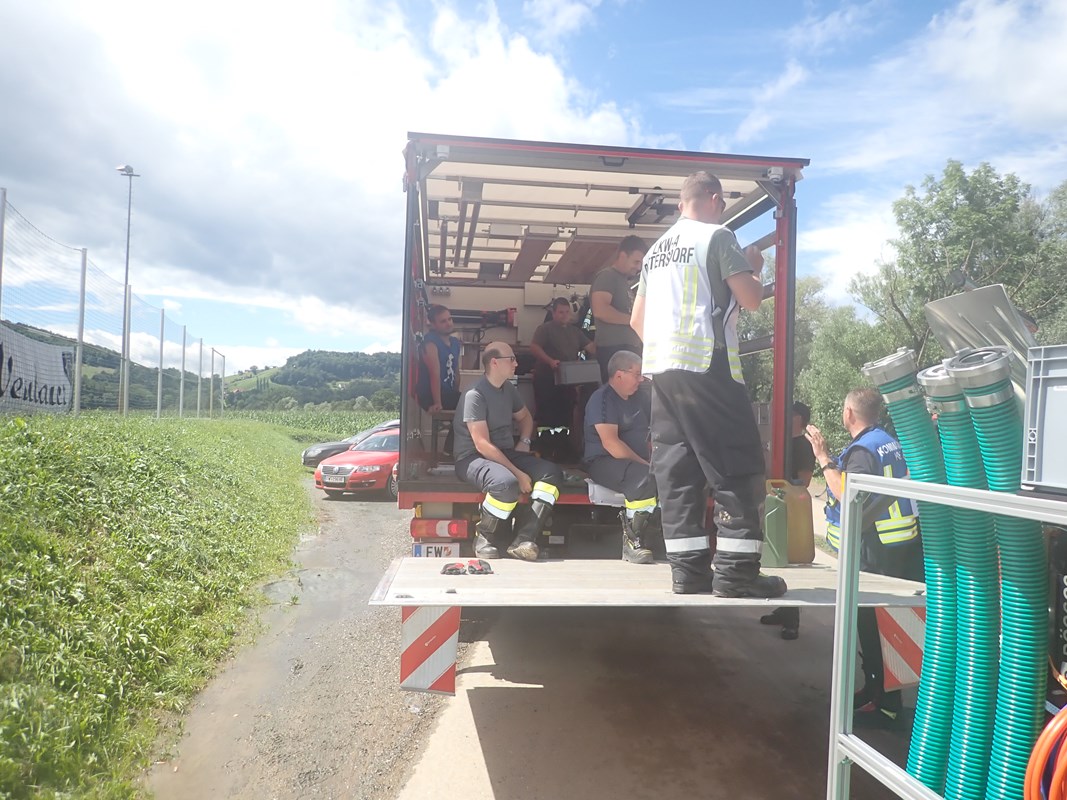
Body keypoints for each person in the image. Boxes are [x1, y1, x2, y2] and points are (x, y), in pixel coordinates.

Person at [630, 170, 786, 598]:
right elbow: (750, 298)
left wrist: (669, 349)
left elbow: (637, 321)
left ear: (682, 203)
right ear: (715, 199)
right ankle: (736, 574)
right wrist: (754, 268)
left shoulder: (654, 253)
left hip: (662, 372)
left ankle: (687, 573)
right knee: (735, 465)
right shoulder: (717, 236)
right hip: (707, 367)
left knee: (678, 473)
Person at [806, 387, 922, 728]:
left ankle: (884, 705)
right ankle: (876, 691)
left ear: (849, 413)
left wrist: (824, 458)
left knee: (872, 627)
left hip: (875, 550)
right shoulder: (888, 442)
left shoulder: (862, 451)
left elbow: (847, 496)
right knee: (888, 626)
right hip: (898, 547)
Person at [453, 342, 565, 561]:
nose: (516, 363)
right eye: (511, 359)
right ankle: (484, 538)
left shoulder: (508, 389)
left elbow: (525, 417)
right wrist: (518, 473)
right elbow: (482, 444)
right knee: (506, 483)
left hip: (503, 452)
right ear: (494, 362)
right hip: (472, 458)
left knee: (551, 473)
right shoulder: (475, 395)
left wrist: (524, 441)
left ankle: (524, 540)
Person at [583, 350, 657, 564]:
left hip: (638, 464)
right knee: (645, 478)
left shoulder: (640, 398)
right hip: (604, 462)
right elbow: (611, 444)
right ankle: (632, 542)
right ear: (619, 375)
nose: (641, 379)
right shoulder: (602, 399)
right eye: (637, 374)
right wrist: (647, 465)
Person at [761, 401, 817, 639]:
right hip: (776, 505)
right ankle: (783, 610)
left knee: (790, 562)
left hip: (791, 509)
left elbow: (804, 481)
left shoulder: (802, 445)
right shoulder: (780, 443)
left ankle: (791, 620)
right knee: (776, 560)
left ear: (799, 419)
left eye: (790, 414)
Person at [530, 297, 597, 453]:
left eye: (567, 312)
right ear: (554, 313)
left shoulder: (575, 332)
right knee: (546, 415)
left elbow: (591, 347)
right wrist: (550, 361)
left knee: (565, 415)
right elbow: (534, 347)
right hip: (546, 379)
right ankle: (545, 449)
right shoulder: (545, 329)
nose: (564, 315)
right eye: (561, 312)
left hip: (568, 381)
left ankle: (562, 450)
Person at [590, 236, 647, 383]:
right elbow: (600, 310)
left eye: (641, 263)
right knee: (619, 393)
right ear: (622, 255)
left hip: (626, 350)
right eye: (636, 262)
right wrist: (634, 320)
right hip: (614, 350)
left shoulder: (623, 281)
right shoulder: (607, 276)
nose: (639, 267)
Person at [416, 305, 462, 455]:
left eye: (449, 319)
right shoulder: (430, 343)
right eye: (443, 321)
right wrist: (437, 402)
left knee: (471, 402)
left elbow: (456, 371)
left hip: (447, 392)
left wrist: (456, 393)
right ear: (433, 325)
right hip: (430, 393)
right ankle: (449, 449)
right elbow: (434, 374)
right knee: (469, 403)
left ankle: (452, 447)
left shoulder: (455, 342)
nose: (448, 323)